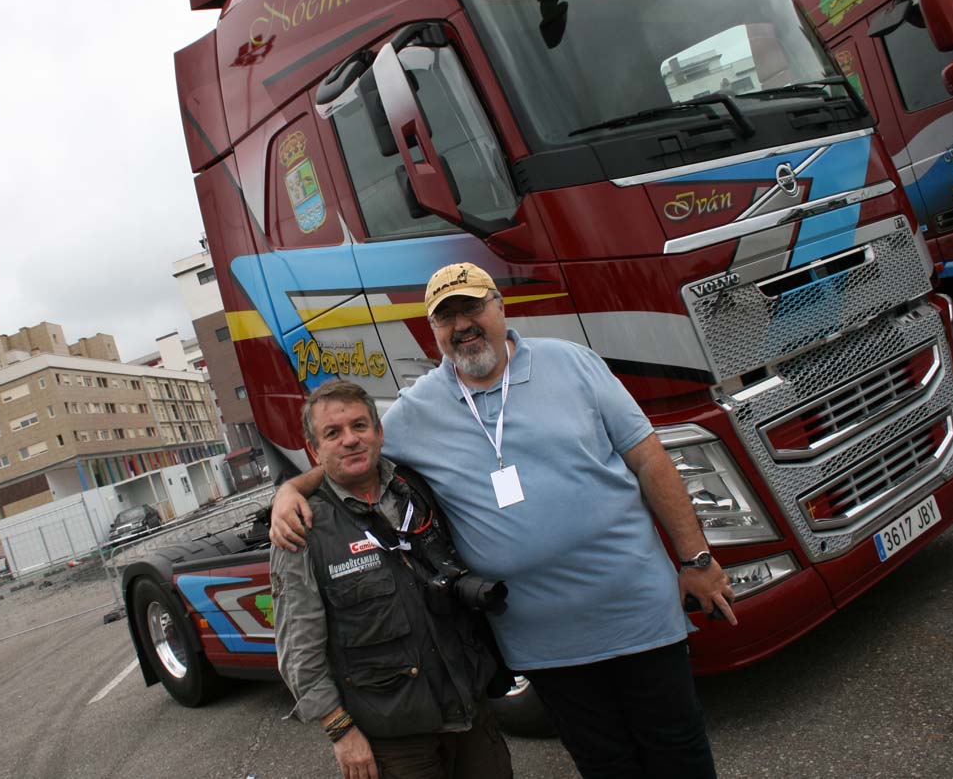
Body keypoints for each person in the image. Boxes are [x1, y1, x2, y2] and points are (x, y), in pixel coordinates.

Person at [271, 262, 737, 779]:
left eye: (472, 308)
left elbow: (650, 459)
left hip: (637, 612)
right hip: (544, 646)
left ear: (499, 307)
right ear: (434, 332)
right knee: (606, 763)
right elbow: (351, 453)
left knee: (678, 751)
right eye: (447, 318)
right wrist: (290, 489)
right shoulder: (416, 409)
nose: (463, 325)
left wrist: (696, 559)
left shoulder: (572, 363)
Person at [271, 379, 513, 779]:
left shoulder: (417, 489)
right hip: (397, 745)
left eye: (359, 426)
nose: (350, 440)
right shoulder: (301, 531)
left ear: (379, 433)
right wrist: (341, 732)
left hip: (472, 717)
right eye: (333, 433)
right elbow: (299, 654)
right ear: (315, 451)